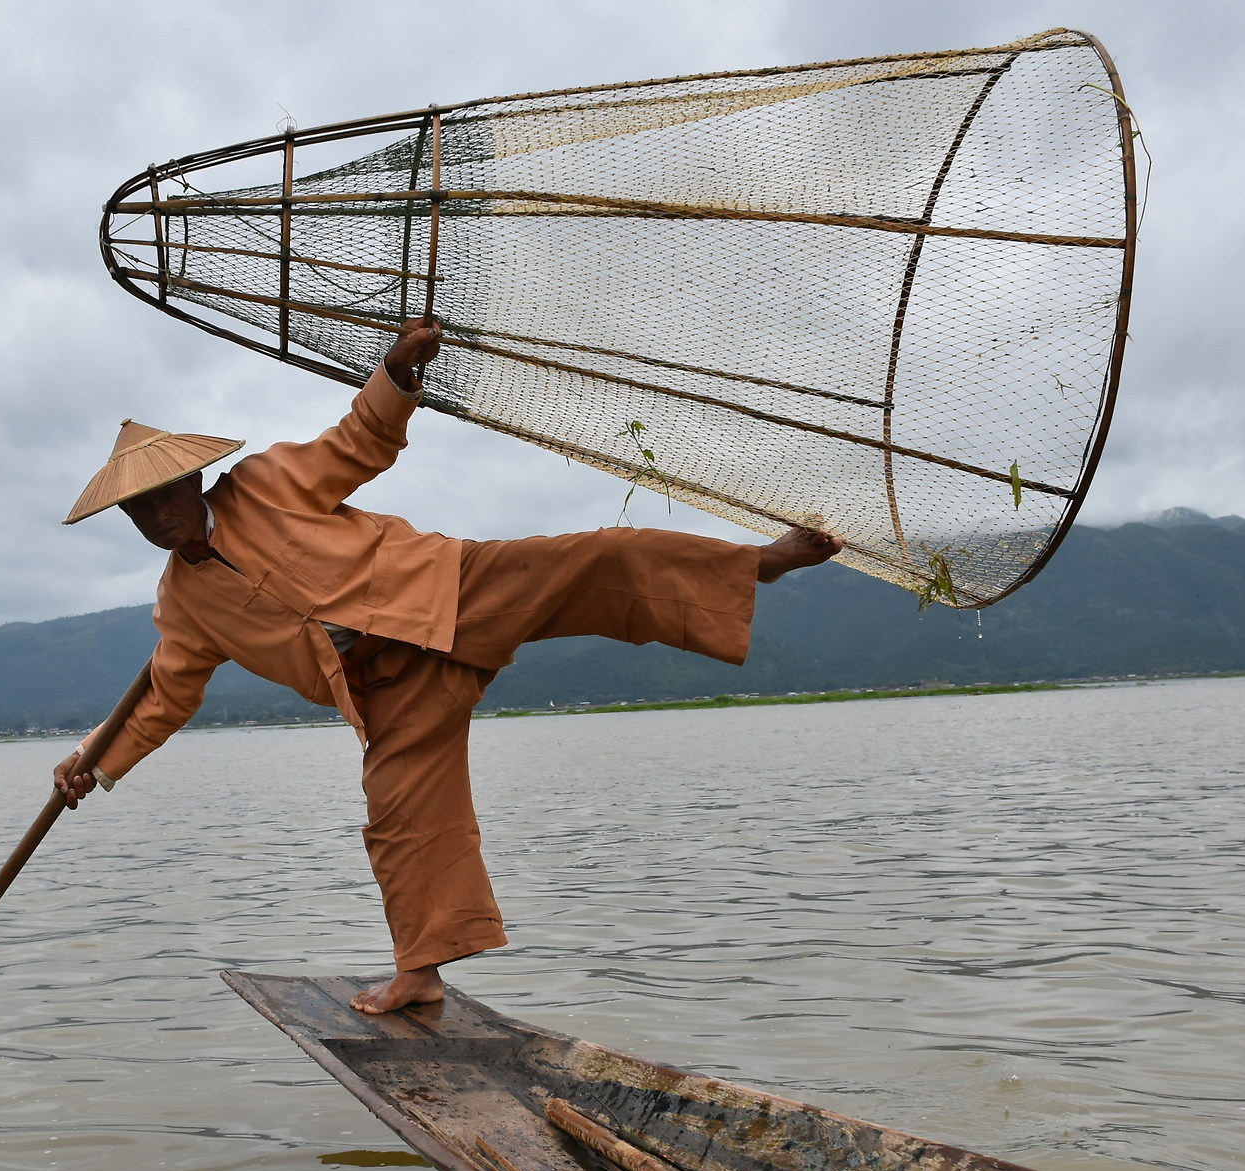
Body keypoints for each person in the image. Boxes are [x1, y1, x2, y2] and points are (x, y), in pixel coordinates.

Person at [54, 318, 842, 1014]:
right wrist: (92, 762)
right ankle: (422, 974)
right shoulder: (182, 605)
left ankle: (753, 567)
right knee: (399, 819)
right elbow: (163, 697)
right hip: (386, 685)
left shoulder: (264, 484)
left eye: (162, 498)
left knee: (596, 556)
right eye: (138, 512)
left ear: (192, 481)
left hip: (445, 590)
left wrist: (397, 374)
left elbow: (353, 445)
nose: (156, 519)